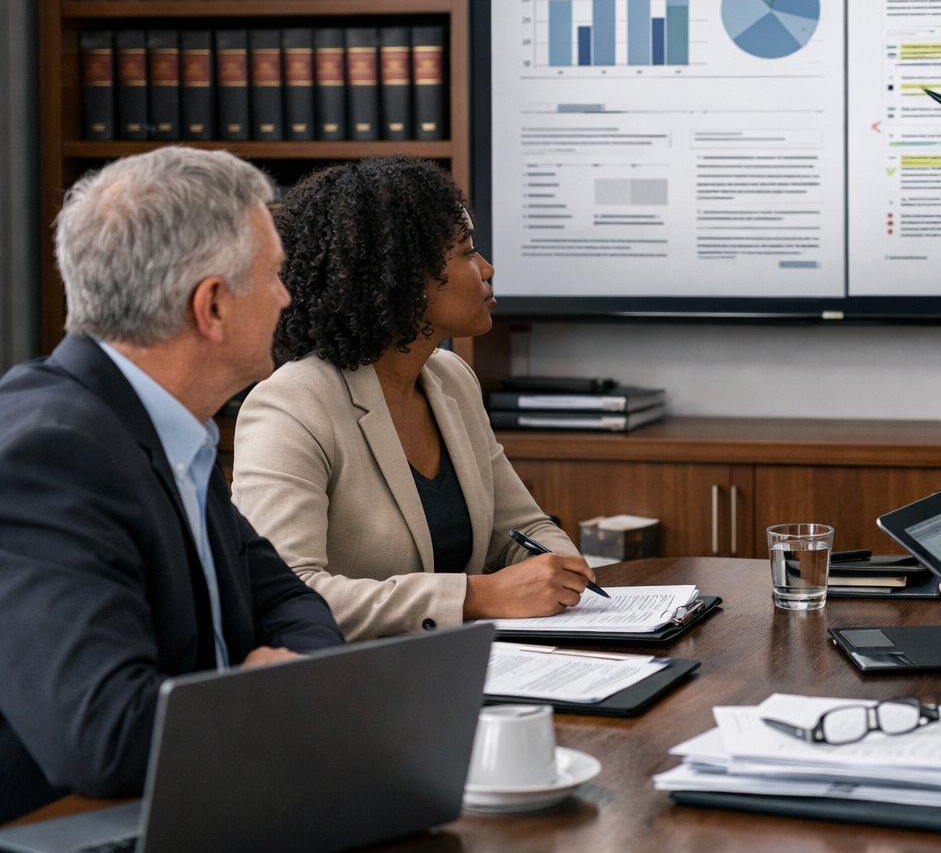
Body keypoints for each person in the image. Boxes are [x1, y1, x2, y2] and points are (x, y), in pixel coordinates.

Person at [0, 148, 345, 823]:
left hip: (212, 789)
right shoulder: (48, 455)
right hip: (79, 823)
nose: (287, 296)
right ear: (211, 306)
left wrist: (288, 680)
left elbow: (290, 605)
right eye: (274, 275)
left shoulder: (169, 423)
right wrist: (262, 700)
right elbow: (103, 736)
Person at [232, 156, 595, 641]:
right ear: (402, 278)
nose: (486, 268)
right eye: (466, 253)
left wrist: (554, 570)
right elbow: (284, 594)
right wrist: (474, 596)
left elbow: (521, 527)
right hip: (360, 687)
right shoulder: (291, 406)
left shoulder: (451, 379)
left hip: (471, 667)